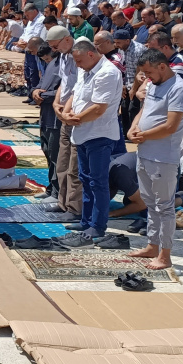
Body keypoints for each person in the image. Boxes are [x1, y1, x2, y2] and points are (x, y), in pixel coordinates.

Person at [125, 49, 183, 269]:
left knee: (164, 206)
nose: (146, 77)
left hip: (163, 157)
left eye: (149, 72)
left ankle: (165, 254)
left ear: (162, 66)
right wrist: (133, 128)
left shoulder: (179, 89)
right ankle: (152, 245)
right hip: (145, 152)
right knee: (150, 203)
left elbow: (171, 126)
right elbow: (144, 111)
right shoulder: (154, 84)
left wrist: (143, 135)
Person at [56, 38, 123, 247]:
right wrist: (66, 113)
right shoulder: (86, 69)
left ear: (91, 54)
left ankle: (97, 225)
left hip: (99, 135)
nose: (77, 65)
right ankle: (86, 221)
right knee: (85, 179)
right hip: (82, 133)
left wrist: (73, 119)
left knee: (98, 182)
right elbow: (75, 94)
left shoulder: (107, 73)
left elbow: (99, 108)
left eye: (79, 61)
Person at [45, 26, 82, 215]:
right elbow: (64, 84)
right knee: (62, 162)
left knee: (74, 167)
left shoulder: (80, 55)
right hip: (64, 114)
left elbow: (79, 88)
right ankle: (62, 202)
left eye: (56, 46)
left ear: (67, 39)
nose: (54, 50)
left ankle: (74, 207)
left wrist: (65, 109)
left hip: (75, 116)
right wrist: (56, 102)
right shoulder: (64, 56)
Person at [33, 45, 62, 200]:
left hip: (56, 118)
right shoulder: (51, 64)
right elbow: (41, 84)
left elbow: (66, 91)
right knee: (47, 151)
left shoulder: (66, 64)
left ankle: (57, 192)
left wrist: (43, 96)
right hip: (45, 116)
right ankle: (51, 189)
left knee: (55, 155)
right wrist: (35, 91)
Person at [13, 4, 46, 95]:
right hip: (27, 49)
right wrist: (20, 40)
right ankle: (30, 94)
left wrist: (24, 43)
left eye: (27, 15)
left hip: (34, 50)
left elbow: (36, 35)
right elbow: (25, 32)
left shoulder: (41, 20)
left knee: (34, 72)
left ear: (34, 11)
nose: (26, 17)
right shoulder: (31, 21)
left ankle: (35, 94)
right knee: (27, 72)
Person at [107, 152, 147, 216]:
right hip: (136, 169)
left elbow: (142, 204)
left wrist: (113, 213)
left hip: (156, 170)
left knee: (147, 210)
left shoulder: (120, 175)